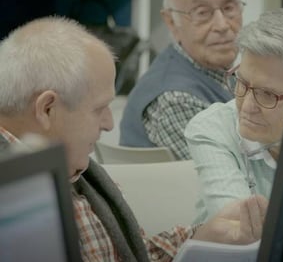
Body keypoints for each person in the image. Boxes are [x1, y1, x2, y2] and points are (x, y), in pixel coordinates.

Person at [0, 16, 268, 262]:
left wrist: (205, 236)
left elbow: (135, 252)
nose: (109, 123)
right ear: (47, 109)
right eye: (99, 109)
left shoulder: (68, 170)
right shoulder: (14, 196)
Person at [184, 4, 283, 223]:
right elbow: (242, 232)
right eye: (241, 82)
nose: (246, 106)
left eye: (267, 94)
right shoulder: (213, 128)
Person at [120, 0, 244, 160]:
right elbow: (227, 178)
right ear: (171, 22)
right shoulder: (175, 98)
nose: (222, 25)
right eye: (202, 13)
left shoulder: (223, 71)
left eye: (229, 8)